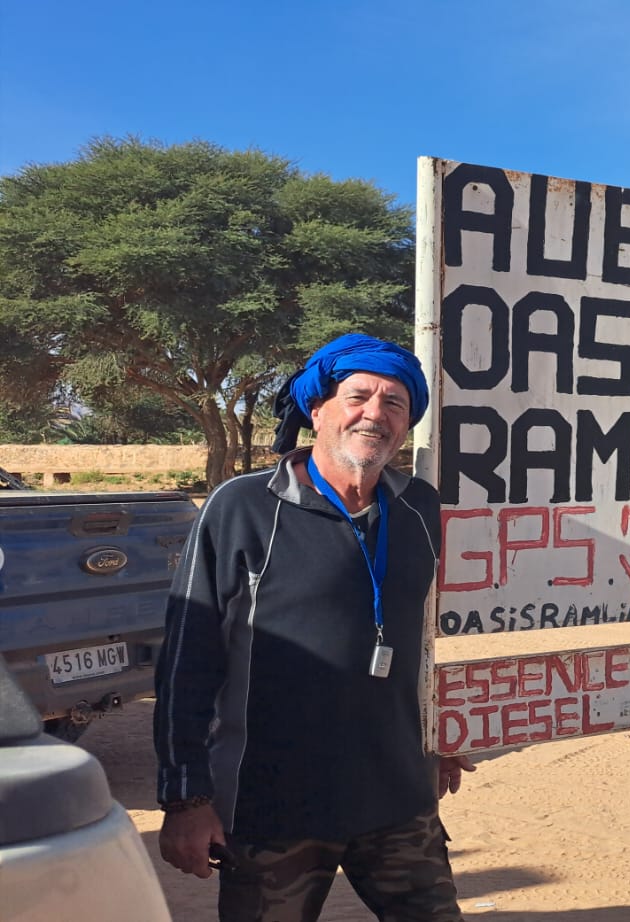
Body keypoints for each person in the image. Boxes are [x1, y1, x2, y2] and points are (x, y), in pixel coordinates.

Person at [154, 334, 473, 922]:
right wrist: (186, 798)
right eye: (358, 397)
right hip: (275, 806)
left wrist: (437, 733)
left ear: (407, 425)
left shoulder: (419, 508)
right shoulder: (244, 507)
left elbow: (425, 637)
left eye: (395, 403)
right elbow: (186, 660)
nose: (375, 413)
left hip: (397, 796)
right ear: (318, 409)